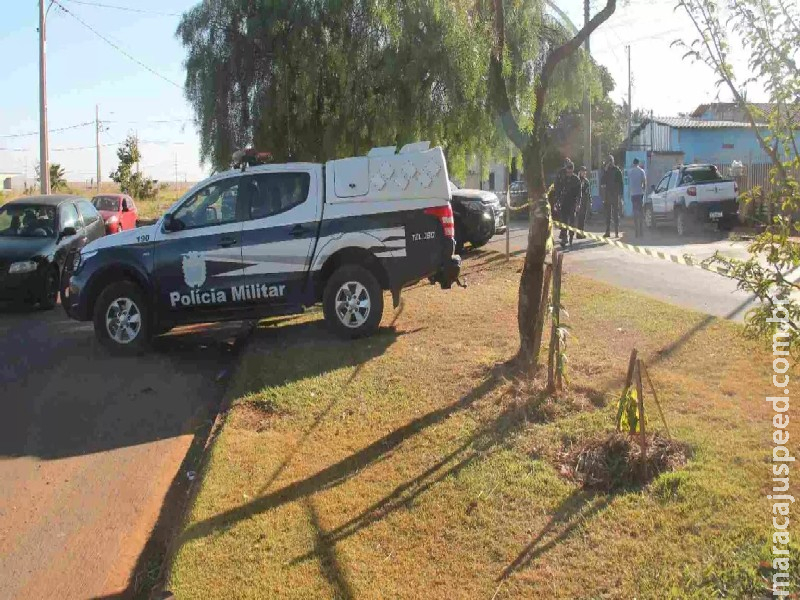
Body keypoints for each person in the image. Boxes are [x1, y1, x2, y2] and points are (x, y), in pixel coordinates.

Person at [558, 163, 582, 248]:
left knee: (572, 221)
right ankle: (564, 239)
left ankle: (571, 237)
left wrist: (578, 204)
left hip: (573, 203)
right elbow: (560, 190)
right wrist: (559, 201)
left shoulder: (576, 180)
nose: (569, 174)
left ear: (572, 170)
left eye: (570, 172)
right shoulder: (564, 179)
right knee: (564, 221)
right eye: (567, 172)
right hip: (565, 203)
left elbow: (579, 193)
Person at [601, 155, 623, 238]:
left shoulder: (617, 171)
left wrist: (620, 196)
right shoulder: (606, 171)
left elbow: (621, 184)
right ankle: (607, 231)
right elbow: (602, 182)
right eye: (608, 161)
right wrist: (605, 171)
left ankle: (616, 232)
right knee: (608, 214)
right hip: (608, 195)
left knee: (615, 214)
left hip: (615, 194)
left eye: (610, 161)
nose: (609, 163)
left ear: (613, 161)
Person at [628, 158, 647, 238]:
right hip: (640, 194)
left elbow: (630, 182)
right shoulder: (641, 171)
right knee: (640, 213)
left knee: (635, 213)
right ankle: (641, 232)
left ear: (633, 163)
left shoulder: (630, 172)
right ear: (638, 163)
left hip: (633, 194)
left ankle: (636, 233)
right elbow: (644, 182)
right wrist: (643, 190)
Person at [576, 166, 591, 238]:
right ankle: (578, 233)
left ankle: (581, 232)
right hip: (579, 201)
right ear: (580, 172)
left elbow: (588, 192)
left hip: (585, 200)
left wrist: (590, 201)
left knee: (583, 218)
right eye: (583, 171)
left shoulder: (587, 181)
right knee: (579, 218)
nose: (584, 172)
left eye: (585, 171)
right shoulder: (577, 180)